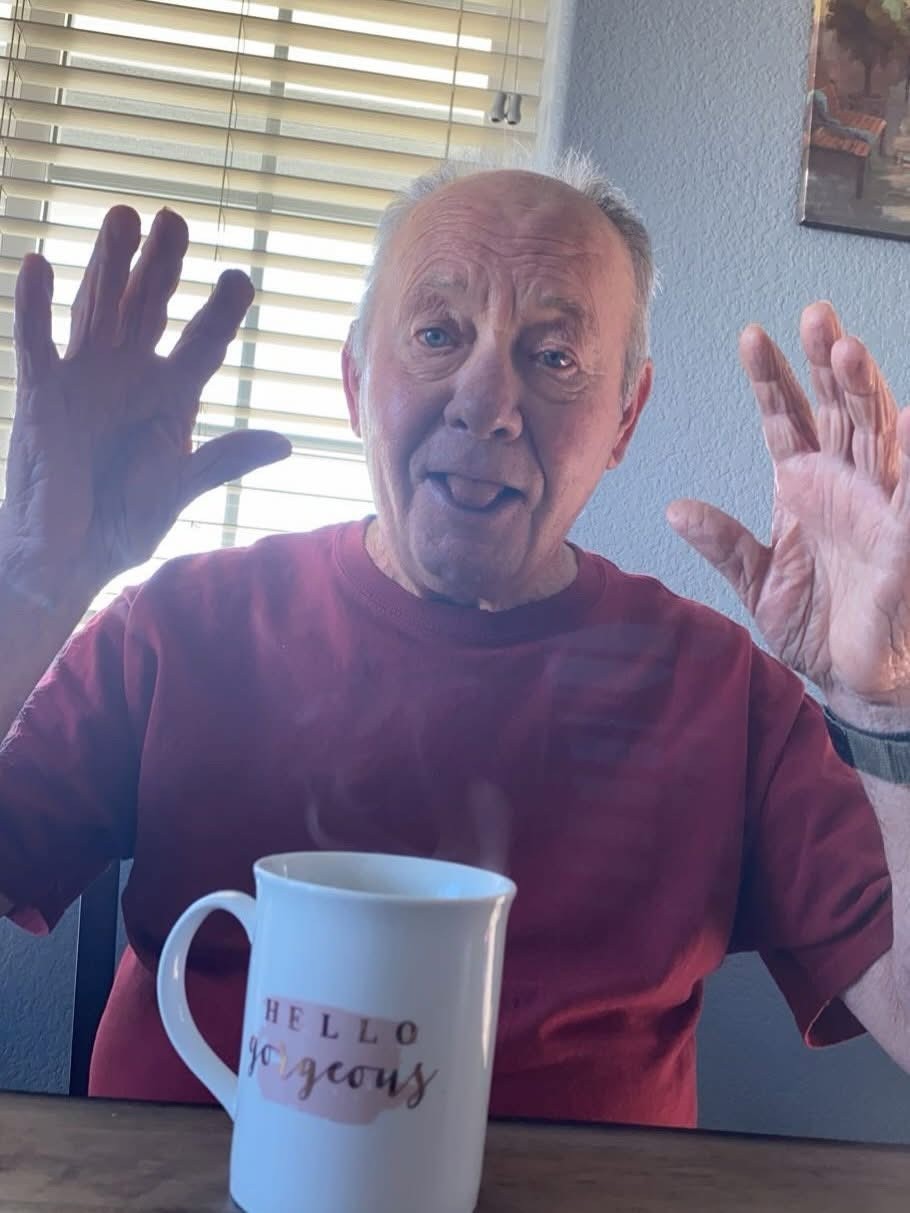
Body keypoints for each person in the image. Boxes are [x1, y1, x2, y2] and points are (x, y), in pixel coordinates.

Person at [0, 153, 908, 1129]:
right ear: (356, 382)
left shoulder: (723, 691)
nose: (486, 402)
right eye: (437, 334)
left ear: (624, 417)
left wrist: (881, 700)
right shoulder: (180, 624)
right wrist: (30, 585)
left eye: (554, 357)